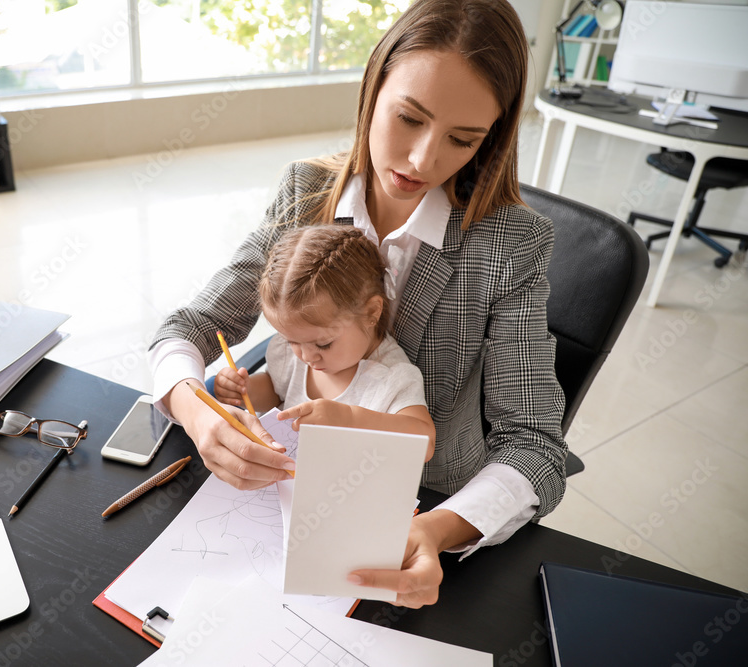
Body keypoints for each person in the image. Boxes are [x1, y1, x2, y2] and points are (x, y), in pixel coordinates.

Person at [149, 0, 567, 609]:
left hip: (423, 509)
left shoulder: (510, 247)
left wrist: (435, 528)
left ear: (491, 139)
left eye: (462, 139)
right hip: (283, 497)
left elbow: (536, 447)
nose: (424, 161)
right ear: (373, 91)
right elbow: (188, 328)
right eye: (409, 119)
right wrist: (198, 414)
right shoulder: (305, 191)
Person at [213, 225, 435, 461]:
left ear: (372, 312)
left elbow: (426, 444)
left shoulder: (391, 377)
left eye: (323, 344)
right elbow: (278, 391)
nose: (307, 357)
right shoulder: (291, 354)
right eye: (292, 341)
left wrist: (350, 419)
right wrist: (244, 389)